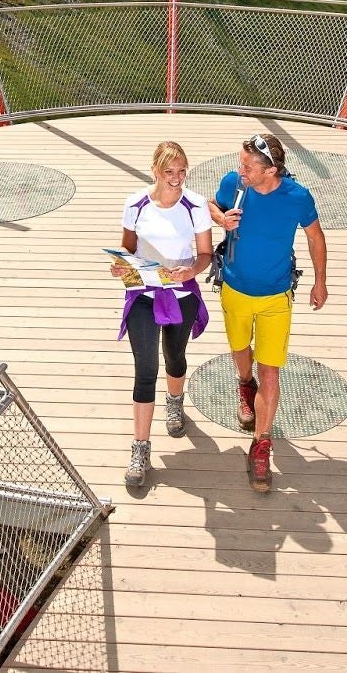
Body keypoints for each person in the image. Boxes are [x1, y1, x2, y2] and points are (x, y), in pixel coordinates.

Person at [209, 133, 328, 493]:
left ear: (271, 170)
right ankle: (245, 386)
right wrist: (221, 219)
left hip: (277, 296)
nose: (238, 170)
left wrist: (320, 282)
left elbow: (315, 238)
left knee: (271, 370)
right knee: (240, 350)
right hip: (234, 288)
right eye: (240, 163)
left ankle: (261, 445)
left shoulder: (297, 198)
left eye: (247, 166)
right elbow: (211, 206)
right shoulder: (234, 183)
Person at [110, 141, 213, 487]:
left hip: (181, 293)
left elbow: (205, 254)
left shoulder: (195, 205)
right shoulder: (135, 203)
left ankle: (174, 400)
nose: (177, 178)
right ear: (155, 170)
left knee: (175, 356)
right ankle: (140, 447)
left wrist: (191, 271)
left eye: (182, 171)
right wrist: (120, 264)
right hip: (142, 293)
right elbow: (127, 247)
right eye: (169, 171)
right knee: (145, 369)